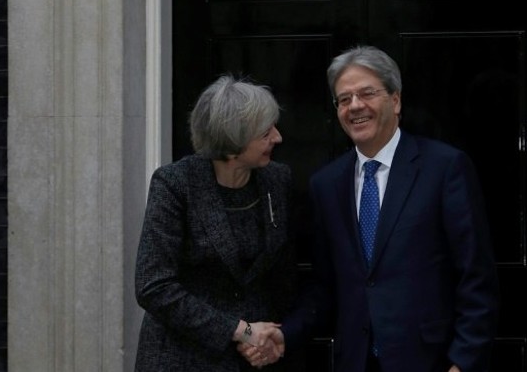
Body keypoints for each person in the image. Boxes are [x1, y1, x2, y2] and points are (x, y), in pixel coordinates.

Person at [243, 46, 500, 372]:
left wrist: (462, 364)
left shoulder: (445, 168)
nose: (355, 106)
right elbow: (325, 288)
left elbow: (476, 279)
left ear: (395, 100)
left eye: (367, 93)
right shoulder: (327, 185)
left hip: (431, 362)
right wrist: (286, 336)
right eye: (344, 99)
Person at [134, 74, 303, 371]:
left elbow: (282, 276)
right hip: (182, 358)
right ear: (232, 143)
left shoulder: (277, 179)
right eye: (265, 133)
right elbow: (153, 286)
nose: (277, 138)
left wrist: (274, 338)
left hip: (254, 361)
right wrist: (242, 331)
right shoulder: (175, 184)